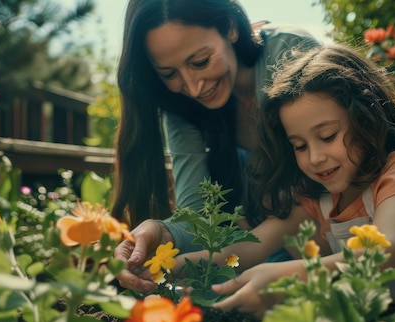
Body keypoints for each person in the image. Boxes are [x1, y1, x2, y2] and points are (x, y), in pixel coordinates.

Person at [175, 43, 395, 319]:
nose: (315, 157)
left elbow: (384, 252)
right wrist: (167, 267)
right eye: (300, 146)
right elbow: (250, 247)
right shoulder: (318, 197)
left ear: (366, 119)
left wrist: (286, 275)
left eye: (327, 136)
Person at [112, 0, 322, 292]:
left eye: (199, 62)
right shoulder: (180, 105)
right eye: (169, 74)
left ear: (231, 28)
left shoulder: (290, 54)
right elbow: (196, 214)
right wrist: (163, 232)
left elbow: (331, 184)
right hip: (262, 240)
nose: (194, 87)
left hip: (328, 232)